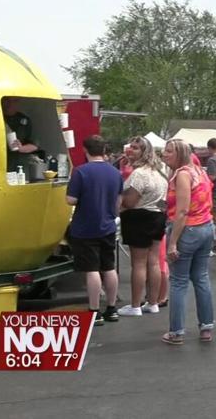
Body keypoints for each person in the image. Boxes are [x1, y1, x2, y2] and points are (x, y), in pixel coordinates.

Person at [161, 139, 215, 344]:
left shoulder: (183, 175)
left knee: (178, 281)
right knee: (201, 277)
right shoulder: (199, 171)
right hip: (206, 228)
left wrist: (173, 242)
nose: (164, 155)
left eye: (168, 151)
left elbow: (182, 211)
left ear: (179, 154)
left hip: (188, 230)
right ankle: (206, 327)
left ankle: (176, 331)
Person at [65, 135, 123, 326]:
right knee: (109, 267)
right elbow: (118, 202)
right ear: (104, 150)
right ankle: (112, 308)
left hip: (85, 227)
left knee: (91, 269)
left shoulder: (80, 172)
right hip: (107, 225)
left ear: (85, 150)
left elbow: (71, 200)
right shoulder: (115, 173)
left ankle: (94, 310)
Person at [116, 136, 168, 317]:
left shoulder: (138, 174)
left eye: (136, 148)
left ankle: (135, 305)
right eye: (130, 147)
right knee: (153, 262)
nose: (130, 150)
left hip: (138, 217)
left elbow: (130, 202)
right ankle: (152, 302)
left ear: (144, 152)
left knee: (138, 264)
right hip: (157, 216)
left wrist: (119, 201)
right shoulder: (159, 173)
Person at [2, 97, 40, 171]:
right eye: (7, 100)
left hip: (19, 168)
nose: (10, 104)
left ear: (18, 103)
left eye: (14, 101)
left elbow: (35, 145)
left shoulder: (24, 120)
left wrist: (21, 148)